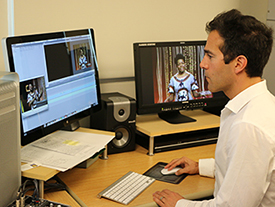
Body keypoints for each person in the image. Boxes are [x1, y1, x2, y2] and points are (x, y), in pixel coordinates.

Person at [153, 9, 275, 207]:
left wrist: (179, 204)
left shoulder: (248, 126)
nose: (202, 64)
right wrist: (201, 166)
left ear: (238, 64)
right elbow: (244, 170)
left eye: (210, 56)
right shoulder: (262, 105)